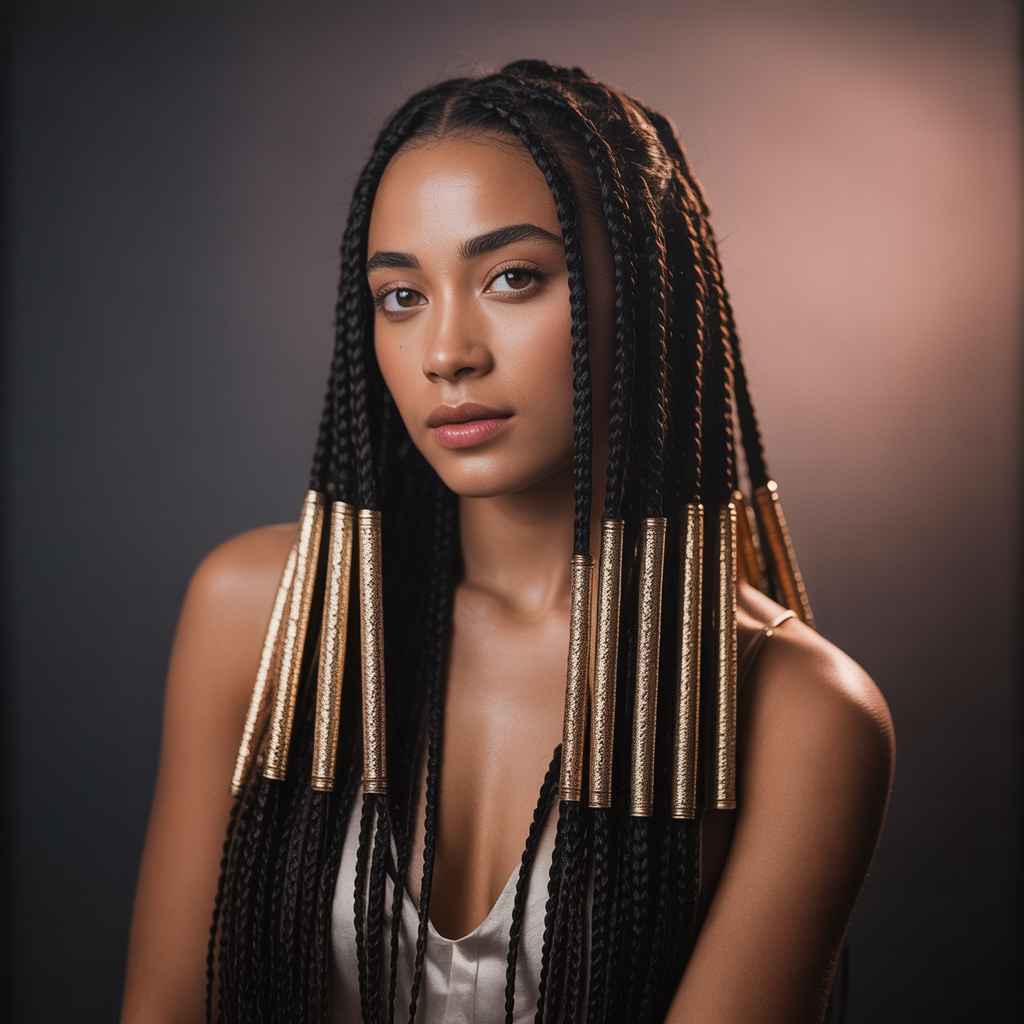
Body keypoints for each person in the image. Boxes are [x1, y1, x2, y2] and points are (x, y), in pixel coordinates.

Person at [120, 61, 895, 1024]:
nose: (447, 352)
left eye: (512, 278)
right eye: (401, 296)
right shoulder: (262, 616)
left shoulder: (796, 712)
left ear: (646, 296)